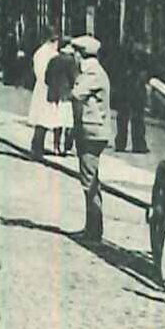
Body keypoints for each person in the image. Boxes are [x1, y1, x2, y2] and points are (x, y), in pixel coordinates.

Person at [69, 35, 113, 241]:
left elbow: (76, 94)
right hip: (91, 131)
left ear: (81, 54)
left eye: (75, 54)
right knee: (90, 179)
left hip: (92, 133)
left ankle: (94, 232)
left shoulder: (92, 72)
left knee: (90, 182)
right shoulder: (92, 71)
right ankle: (91, 228)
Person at [27, 32, 65, 156]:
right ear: (53, 42)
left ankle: (37, 146)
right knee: (55, 119)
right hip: (51, 89)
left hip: (40, 87)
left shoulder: (38, 53)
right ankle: (54, 147)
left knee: (41, 120)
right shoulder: (53, 55)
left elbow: (36, 70)